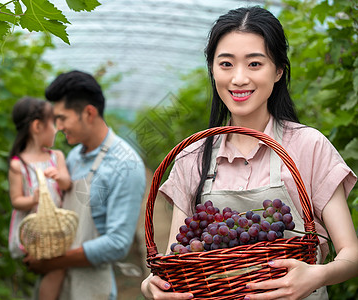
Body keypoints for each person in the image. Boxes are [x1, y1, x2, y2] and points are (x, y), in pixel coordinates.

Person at [141, 6, 358, 300]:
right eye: (226, 64)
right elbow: (179, 255)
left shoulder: (308, 146)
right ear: (213, 70)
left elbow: (352, 255)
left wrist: (318, 274)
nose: (239, 79)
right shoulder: (192, 156)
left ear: (279, 70)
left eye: (254, 64)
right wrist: (151, 285)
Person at [23, 70, 147, 300]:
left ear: (89, 112)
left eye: (62, 118)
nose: (58, 127)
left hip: (89, 287)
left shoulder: (125, 165)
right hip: (57, 282)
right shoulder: (74, 157)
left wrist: (52, 261)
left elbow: (117, 243)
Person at [7, 96, 72, 300]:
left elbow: (67, 184)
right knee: (55, 269)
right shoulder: (19, 164)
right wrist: (33, 199)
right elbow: (16, 200)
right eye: (52, 123)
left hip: (54, 226)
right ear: (37, 126)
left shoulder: (56, 157)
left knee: (53, 268)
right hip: (34, 231)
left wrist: (60, 177)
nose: (56, 128)